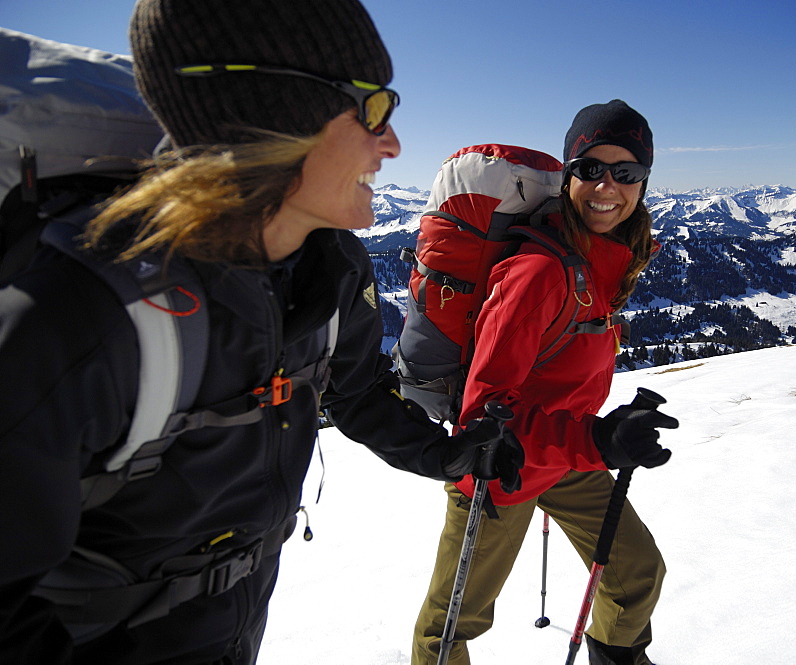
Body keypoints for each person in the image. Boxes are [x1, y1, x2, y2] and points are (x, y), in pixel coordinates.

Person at [0, 0, 520, 663]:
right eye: (373, 110)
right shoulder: (87, 317)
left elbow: (355, 394)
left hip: (237, 627)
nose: (392, 143)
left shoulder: (328, 268)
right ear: (280, 116)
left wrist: (446, 455)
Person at [411, 100, 679, 665]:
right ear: (568, 176)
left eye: (626, 172)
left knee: (635, 571)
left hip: (563, 458)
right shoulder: (539, 272)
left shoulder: (607, 261)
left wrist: (607, 429)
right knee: (451, 629)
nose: (607, 186)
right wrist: (600, 440)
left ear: (644, 183)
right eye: (590, 169)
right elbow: (483, 418)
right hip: (500, 471)